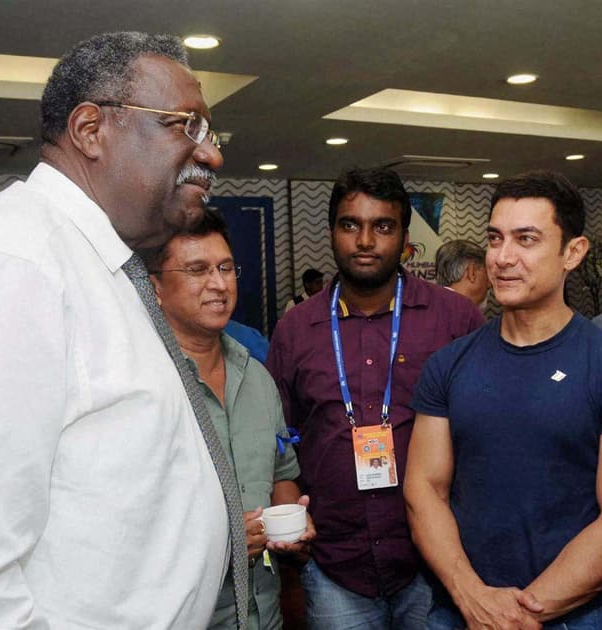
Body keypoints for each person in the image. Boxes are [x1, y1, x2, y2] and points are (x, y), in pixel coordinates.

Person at [0, 32, 232, 628]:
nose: (211, 155)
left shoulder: (101, 263)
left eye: (211, 134)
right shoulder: (13, 261)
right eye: (187, 124)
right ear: (90, 130)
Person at [406, 170, 602, 629]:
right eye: (495, 238)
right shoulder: (448, 365)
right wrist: (472, 597)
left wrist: (518, 615)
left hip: (572, 617)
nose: (503, 258)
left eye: (526, 240)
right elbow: (424, 490)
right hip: (459, 611)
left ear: (573, 252)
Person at [266, 166, 486, 629]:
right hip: (335, 564)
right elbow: (280, 440)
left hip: (437, 562)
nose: (365, 241)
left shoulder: (455, 320)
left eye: (382, 226)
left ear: (404, 237)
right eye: (351, 225)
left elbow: (487, 434)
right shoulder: (295, 330)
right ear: (331, 232)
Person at [148, 208, 315, 630]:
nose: (219, 284)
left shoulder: (256, 377)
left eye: (225, 267)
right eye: (197, 270)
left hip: (265, 609)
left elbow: (281, 469)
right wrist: (218, 545)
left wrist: (290, 517)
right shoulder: (141, 387)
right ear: (155, 289)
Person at [435, 239, 489, 307]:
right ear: (472, 272)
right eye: (487, 272)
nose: (490, 283)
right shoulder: (461, 313)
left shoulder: (431, 305)